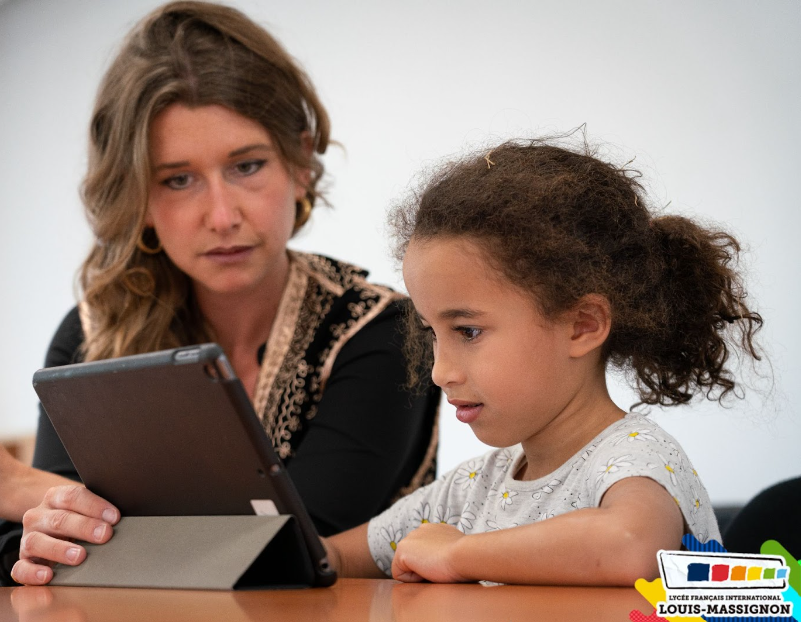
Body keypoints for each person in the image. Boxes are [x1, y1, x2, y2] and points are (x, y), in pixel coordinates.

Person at [0, 1, 439, 587]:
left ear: (298, 163)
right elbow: (23, 551)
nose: (221, 215)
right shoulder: (94, 330)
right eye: (178, 179)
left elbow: (290, 558)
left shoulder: (381, 330)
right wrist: (39, 520)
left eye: (246, 166)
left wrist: (15, 485)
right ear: (136, 196)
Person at [317, 138, 762, 585]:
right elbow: (330, 557)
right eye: (433, 332)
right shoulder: (472, 487)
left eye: (468, 331)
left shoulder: (634, 458)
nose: (440, 372)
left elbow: (632, 546)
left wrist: (457, 554)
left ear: (581, 325)